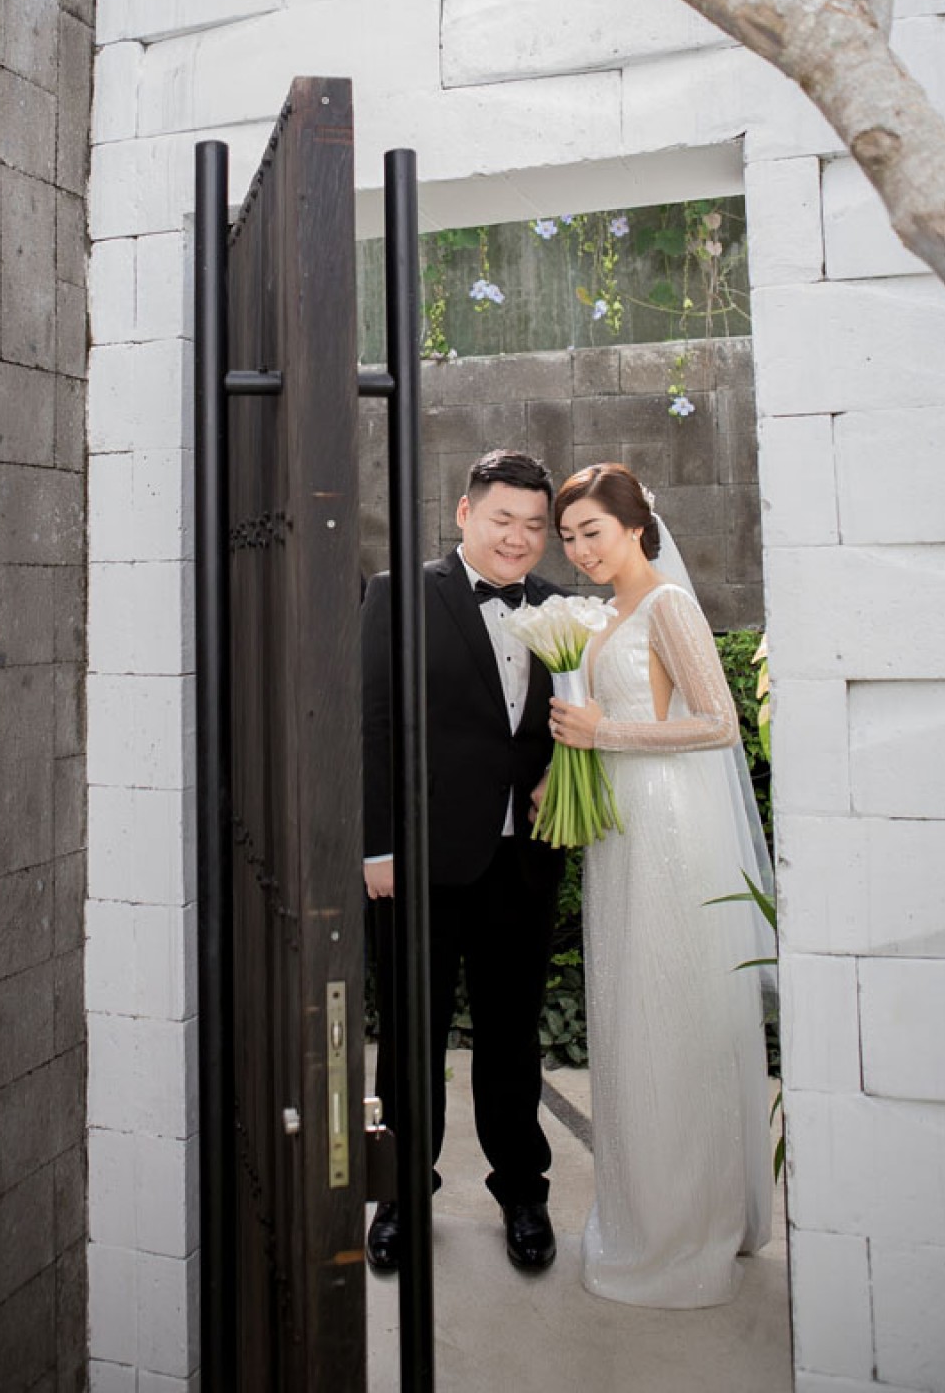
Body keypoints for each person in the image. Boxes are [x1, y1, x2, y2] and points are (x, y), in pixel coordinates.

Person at [544, 461, 773, 1307]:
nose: (580, 550)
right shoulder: (606, 614)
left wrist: (603, 734)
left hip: (670, 828)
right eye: (568, 538)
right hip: (621, 834)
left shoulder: (669, 605)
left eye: (592, 532)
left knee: (671, 1016)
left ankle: (686, 1228)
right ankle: (641, 1212)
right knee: (632, 1016)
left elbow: (718, 725)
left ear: (637, 527)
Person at [363, 450, 566, 1274]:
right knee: (410, 1033)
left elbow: (571, 724)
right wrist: (376, 846)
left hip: (526, 860)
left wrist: (564, 773)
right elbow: (373, 724)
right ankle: (401, 1193)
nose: (518, 538)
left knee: (512, 1037)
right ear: (464, 513)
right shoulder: (398, 595)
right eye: (502, 519)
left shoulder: (561, 608)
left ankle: (523, 1192)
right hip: (419, 863)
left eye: (534, 525)